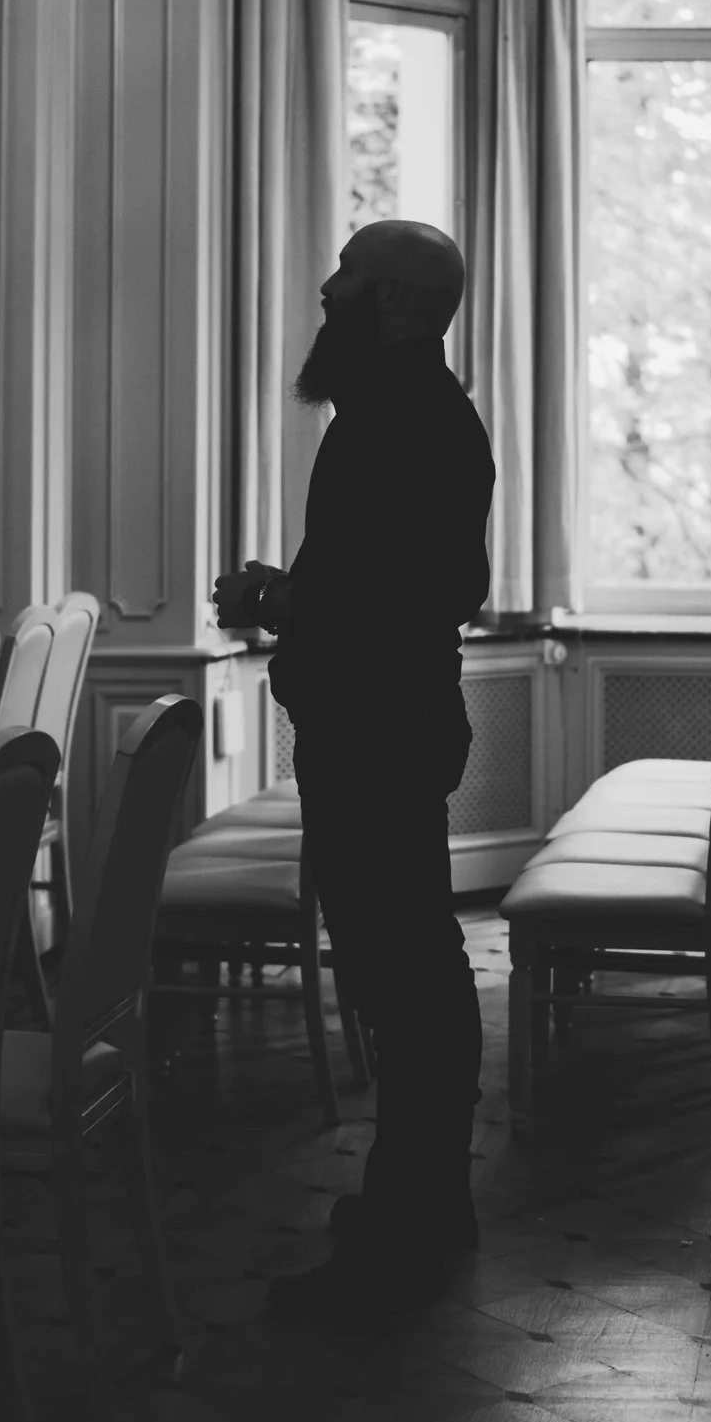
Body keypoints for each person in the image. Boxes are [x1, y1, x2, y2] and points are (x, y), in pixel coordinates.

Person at [211, 220, 495, 1326]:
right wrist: (294, 592)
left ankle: (405, 1232)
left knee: (406, 979)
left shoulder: (404, 417)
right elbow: (399, 577)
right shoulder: (406, 410)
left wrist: (284, 600)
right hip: (384, 719)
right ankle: (426, 1197)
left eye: (342, 272)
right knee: (407, 972)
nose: (323, 288)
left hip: (379, 727)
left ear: (386, 297)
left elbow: (427, 591)